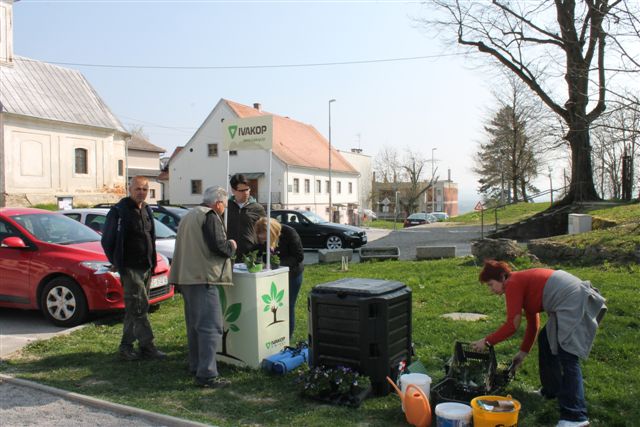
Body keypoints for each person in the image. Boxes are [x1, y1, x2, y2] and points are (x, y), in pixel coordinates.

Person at [471, 260, 607, 427]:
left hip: (573, 299)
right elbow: (533, 324)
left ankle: (575, 417)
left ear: (502, 277)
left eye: (491, 284)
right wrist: (523, 353)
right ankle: (551, 390)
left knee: (568, 357)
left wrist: (486, 341)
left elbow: (512, 325)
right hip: (568, 298)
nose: (491, 290)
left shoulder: (512, 283)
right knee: (546, 340)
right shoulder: (519, 282)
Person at [169, 186, 237, 388]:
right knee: (210, 327)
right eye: (224, 205)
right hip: (203, 277)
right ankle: (207, 375)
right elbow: (218, 246)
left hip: (187, 276)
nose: (224, 209)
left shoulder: (189, 215)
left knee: (195, 326)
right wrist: (232, 246)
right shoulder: (210, 215)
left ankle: (196, 365)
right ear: (218, 203)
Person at [101, 176, 166, 361]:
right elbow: (107, 240)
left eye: (145, 189)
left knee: (134, 308)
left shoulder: (147, 209)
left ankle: (126, 347)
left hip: (146, 266)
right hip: (130, 267)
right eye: (138, 189)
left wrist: (152, 262)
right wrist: (116, 261)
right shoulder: (119, 211)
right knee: (138, 307)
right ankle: (147, 346)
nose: (141, 192)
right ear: (129, 189)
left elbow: (151, 236)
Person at [252, 217, 304, 337]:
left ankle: (287, 336)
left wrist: (277, 264)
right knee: (273, 306)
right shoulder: (261, 237)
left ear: (272, 232)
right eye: (261, 238)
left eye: (265, 238)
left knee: (288, 306)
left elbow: (298, 256)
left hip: (292, 275)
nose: (263, 240)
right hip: (272, 276)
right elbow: (256, 250)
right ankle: (274, 335)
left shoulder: (290, 233)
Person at [227, 173, 266, 258]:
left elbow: (265, 230)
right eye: (241, 191)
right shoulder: (226, 207)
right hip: (229, 253)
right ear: (233, 190)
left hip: (251, 255)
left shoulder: (258, 208)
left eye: (247, 189)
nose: (246, 193)